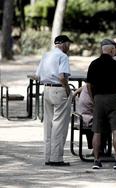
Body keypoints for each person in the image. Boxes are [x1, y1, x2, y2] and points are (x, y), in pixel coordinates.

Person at [86, 39, 116, 169]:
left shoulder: (93, 64)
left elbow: (88, 85)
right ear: (111, 50)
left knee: (97, 131)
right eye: (114, 49)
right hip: (114, 99)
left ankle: (97, 161)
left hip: (99, 98)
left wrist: (94, 98)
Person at [36, 35, 73, 166]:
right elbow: (62, 77)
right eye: (68, 44)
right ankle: (56, 158)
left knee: (48, 124)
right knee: (59, 125)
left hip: (46, 90)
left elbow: (38, 76)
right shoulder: (63, 56)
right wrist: (68, 89)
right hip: (59, 89)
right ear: (62, 44)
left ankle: (47, 156)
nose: (69, 47)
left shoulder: (46, 55)